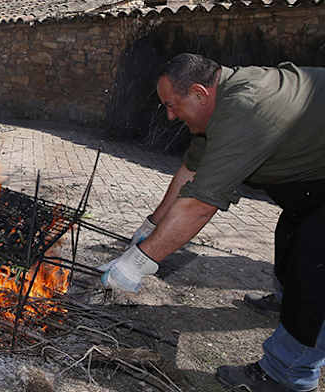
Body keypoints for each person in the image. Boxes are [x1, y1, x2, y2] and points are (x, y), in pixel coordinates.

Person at [99, 53, 325, 392]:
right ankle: (287, 300)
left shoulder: (245, 110)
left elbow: (201, 205)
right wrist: (151, 226)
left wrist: (135, 264)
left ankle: (287, 374)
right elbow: (190, 172)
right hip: (313, 180)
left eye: (173, 106)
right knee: (292, 234)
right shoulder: (221, 106)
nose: (171, 116)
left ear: (200, 93)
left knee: (315, 267)